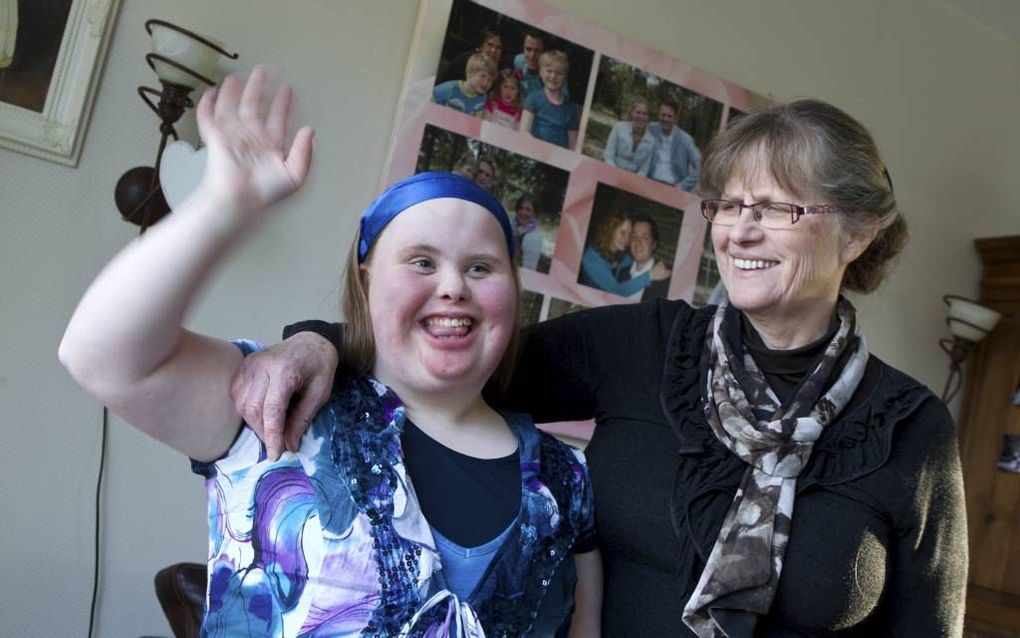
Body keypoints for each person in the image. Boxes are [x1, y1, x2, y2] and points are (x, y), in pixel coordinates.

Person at [233, 99, 968, 636]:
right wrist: (319, 342)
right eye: (729, 204)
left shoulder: (911, 429)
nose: (739, 229)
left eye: (777, 209)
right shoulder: (643, 345)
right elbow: (453, 355)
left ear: (859, 233)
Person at [59, 67, 601, 637]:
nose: (453, 287)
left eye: (481, 267)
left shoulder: (568, 478)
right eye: (421, 261)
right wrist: (223, 206)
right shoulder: (283, 400)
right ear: (366, 283)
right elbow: (100, 357)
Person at [578, 210, 669, 297]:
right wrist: (650, 275)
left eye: (630, 234)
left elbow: (636, 262)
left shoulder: (621, 253)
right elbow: (617, 291)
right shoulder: (591, 258)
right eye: (623, 233)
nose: (626, 239)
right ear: (610, 230)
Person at [520, 50, 579, 150]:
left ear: (565, 77)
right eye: (549, 71)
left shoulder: (571, 109)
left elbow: (573, 146)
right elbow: (523, 131)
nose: (553, 76)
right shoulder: (533, 99)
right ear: (541, 72)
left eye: (559, 73)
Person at [645, 98, 701, 192]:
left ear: (675, 119)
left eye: (669, 116)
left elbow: (701, 166)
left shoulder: (685, 140)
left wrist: (682, 186)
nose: (665, 119)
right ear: (658, 115)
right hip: (649, 183)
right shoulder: (651, 129)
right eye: (663, 115)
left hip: (673, 188)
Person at [619, 214, 670, 301]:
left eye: (645, 238)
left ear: (654, 244)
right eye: (634, 236)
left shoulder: (667, 279)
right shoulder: (621, 273)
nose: (638, 242)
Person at [431, 52, 496, 118]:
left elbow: (476, 122)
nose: (486, 82)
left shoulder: (482, 98)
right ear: (469, 74)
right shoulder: (451, 88)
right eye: (482, 76)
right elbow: (430, 97)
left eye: (489, 80)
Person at [602, 96, 655, 174]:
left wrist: (632, 182)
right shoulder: (619, 127)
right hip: (611, 172)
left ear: (648, 117)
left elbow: (644, 169)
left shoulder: (652, 141)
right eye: (638, 112)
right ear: (631, 113)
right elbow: (608, 156)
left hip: (633, 181)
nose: (641, 116)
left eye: (644, 114)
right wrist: (614, 174)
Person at [436, 26, 504, 85]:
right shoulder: (465, 60)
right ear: (481, 45)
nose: (494, 50)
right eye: (490, 45)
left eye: (499, 48)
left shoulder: (501, 72)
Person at [511, 193, 542, 271]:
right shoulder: (510, 225)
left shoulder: (532, 237)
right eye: (521, 208)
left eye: (528, 210)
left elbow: (529, 269)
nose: (523, 212)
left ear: (534, 213)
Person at [513, 29, 546, 99]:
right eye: (528, 49)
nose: (532, 55)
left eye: (537, 51)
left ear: (544, 52)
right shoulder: (518, 61)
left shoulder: (553, 72)